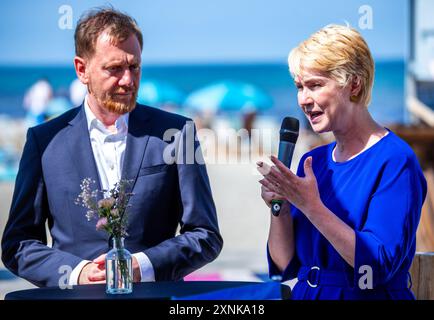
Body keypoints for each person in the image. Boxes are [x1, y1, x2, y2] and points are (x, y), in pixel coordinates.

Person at [1, 8, 222, 287]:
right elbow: (18, 244)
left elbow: (206, 235)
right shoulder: (43, 142)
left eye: (134, 67)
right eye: (115, 68)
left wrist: (143, 266)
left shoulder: (179, 133)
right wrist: (77, 272)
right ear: (82, 70)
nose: (128, 80)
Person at [257, 25, 427, 300]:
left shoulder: (395, 161)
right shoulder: (314, 161)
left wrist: (311, 206)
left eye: (315, 85)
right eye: (299, 87)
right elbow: (284, 266)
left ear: (354, 84)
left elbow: (375, 267)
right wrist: (281, 208)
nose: (303, 99)